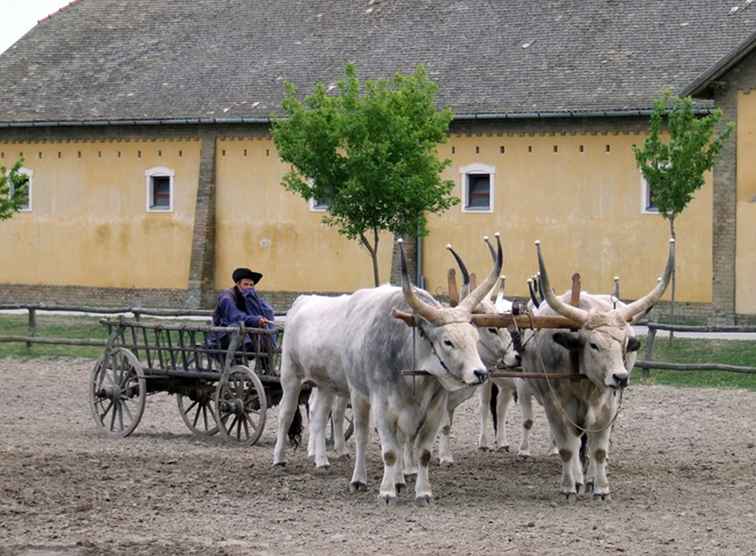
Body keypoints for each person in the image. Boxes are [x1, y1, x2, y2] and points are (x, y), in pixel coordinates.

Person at [209, 267, 276, 371]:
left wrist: (263, 317)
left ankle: (267, 369)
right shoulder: (226, 297)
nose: (249, 287)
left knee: (264, 336)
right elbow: (235, 317)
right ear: (238, 284)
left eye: (251, 285)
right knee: (237, 327)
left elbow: (264, 310)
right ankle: (240, 362)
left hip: (242, 334)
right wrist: (256, 320)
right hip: (222, 336)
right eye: (246, 284)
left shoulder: (249, 298)